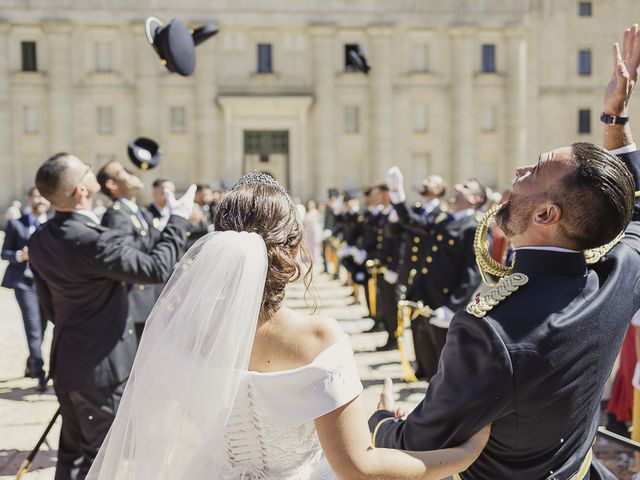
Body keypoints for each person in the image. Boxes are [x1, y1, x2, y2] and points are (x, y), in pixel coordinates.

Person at [87, 171, 490, 480]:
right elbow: (358, 466)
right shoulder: (318, 338)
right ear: (294, 250)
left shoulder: (184, 333)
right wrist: (461, 455)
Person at [369, 25, 640, 479]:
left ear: (546, 214)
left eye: (532, 172)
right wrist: (615, 121)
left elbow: (421, 441)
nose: (518, 170)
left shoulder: (491, 330)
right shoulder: (616, 278)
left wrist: (381, 424)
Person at [28, 152, 194, 480]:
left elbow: (49, 308)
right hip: (101, 371)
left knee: (72, 456)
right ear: (81, 191)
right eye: (87, 170)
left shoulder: (41, 239)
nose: (93, 171)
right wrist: (178, 219)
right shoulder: (94, 241)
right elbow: (156, 268)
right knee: (104, 459)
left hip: (69, 362)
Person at [388, 169, 485, 380]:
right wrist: (397, 194)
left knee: (444, 357)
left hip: (444, 300)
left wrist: (452, 307)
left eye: (466, 187)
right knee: (423, 344)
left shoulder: (474, 226)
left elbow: (474, 271)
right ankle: (425, 379)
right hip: (425, 293)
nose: (457, 187)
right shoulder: (445, 220)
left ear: (476, 199)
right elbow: (413, 222)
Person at [97, 161, 165, 342]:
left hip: (150, 299)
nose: (131, 172)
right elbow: (126, 260)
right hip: (136, 305)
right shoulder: (117, 214)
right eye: (124, 171)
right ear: (112, 185)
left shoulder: (137, 212)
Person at [1, 187, 50, 391]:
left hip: (47, 284)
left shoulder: (53, 225)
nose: (40, 200)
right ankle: (40, 373)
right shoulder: (16, 224)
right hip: (25, 283)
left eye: (43, 196)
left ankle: (31, 363)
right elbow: (5, 253)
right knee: (34, 329)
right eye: (36, 196)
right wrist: (21, 255)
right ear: (29, 199)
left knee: (44, 327)